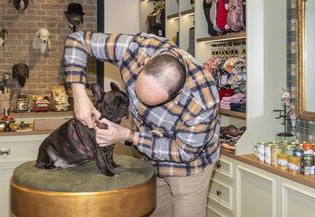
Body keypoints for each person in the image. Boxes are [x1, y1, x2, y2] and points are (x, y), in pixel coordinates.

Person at [62, 31, 220, 217]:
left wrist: (128, 136)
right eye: (137, 94)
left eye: (151, 103)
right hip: (150, 159)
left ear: (176, 94)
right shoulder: (135, 48)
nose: (140, 106)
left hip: (190, 169)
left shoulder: (202, 101)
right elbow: (77, 40)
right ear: (145, 64)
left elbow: (184, 152)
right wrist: (79, 93)